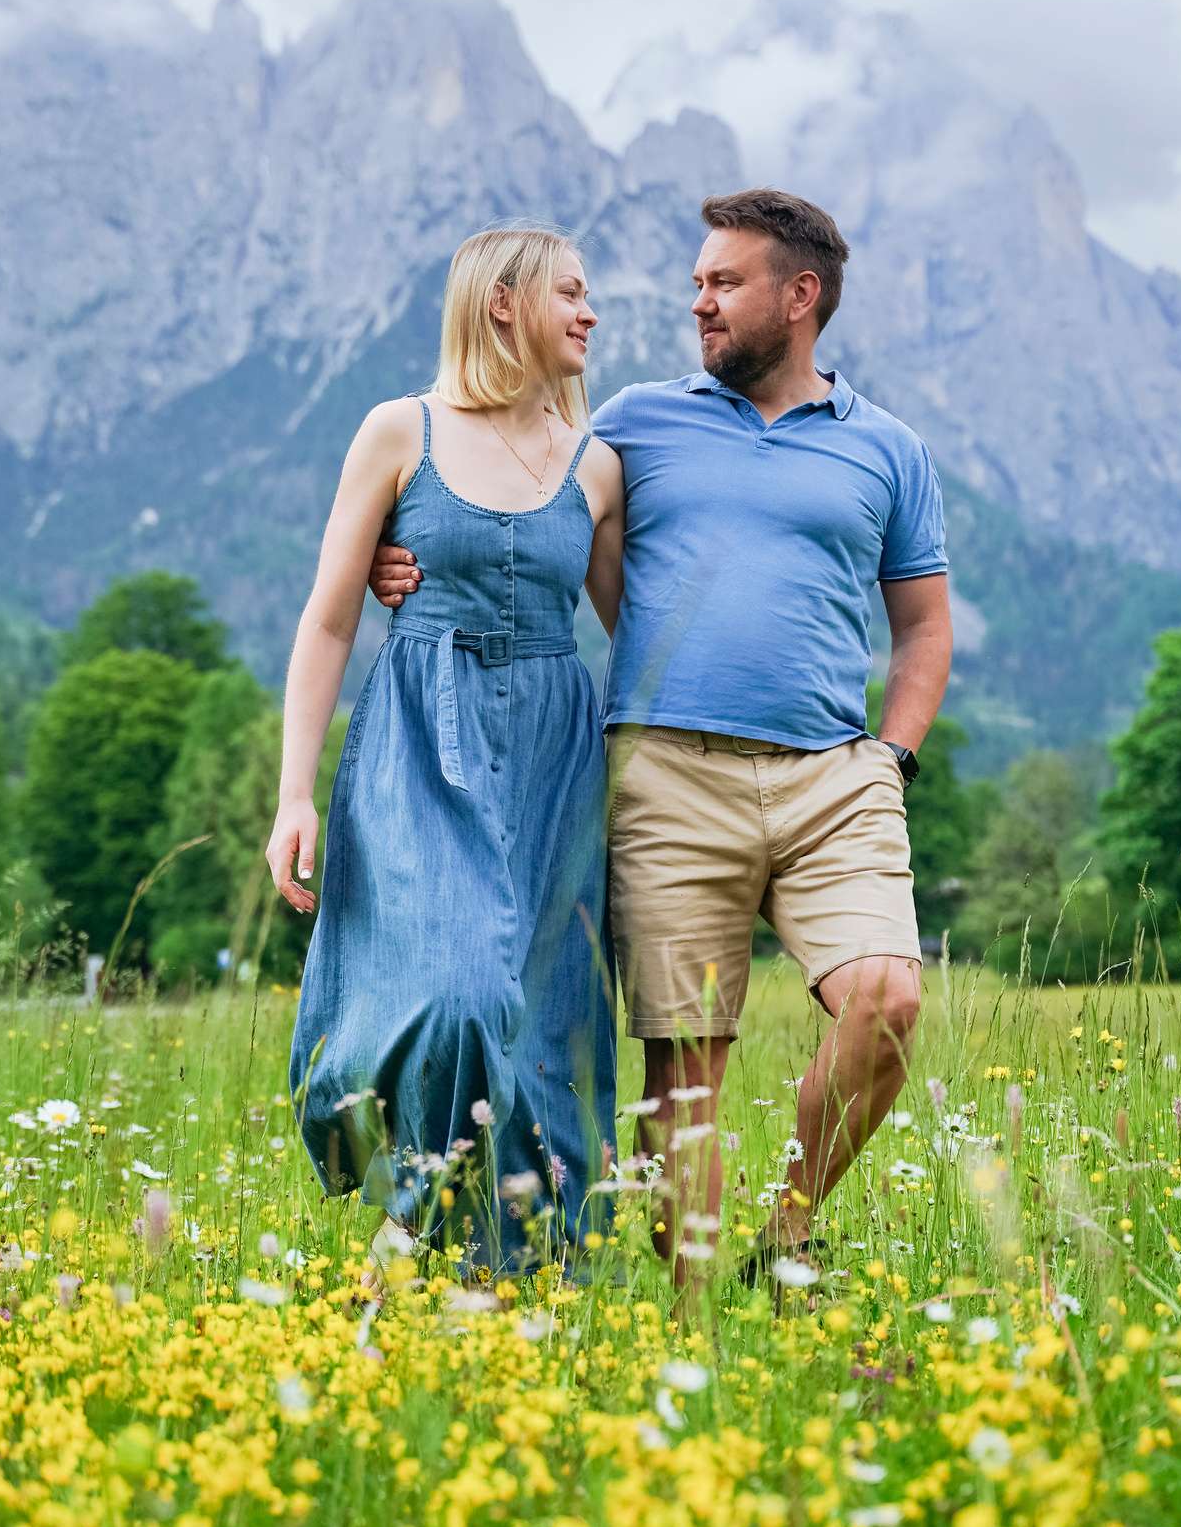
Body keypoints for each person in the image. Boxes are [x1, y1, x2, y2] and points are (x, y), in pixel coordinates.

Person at [372, 190, 952, 1308]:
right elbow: (508, 501)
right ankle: (692, 1329)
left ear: (801, 296)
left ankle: (786, 1232)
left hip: (837, 775)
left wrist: (894, 755)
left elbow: (922, 625)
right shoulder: (635, 420)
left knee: (886, 1002)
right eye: (696, 282)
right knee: (684, 1082)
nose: (698, 302)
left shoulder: (887, 451)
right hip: (665, 777)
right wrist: (395, 557)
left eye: (722, 283)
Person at [268, 225, 625, 1276]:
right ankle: (412, 1217)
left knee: (547, 1021)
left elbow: (638, 638)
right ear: (503, 303)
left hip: (557, 759)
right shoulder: (400, 431)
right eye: (570, 292)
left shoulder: (597, 466)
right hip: (422, 743)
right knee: (458, 994)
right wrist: (296, 793)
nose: (591, 312)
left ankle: (510, 1286)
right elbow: (329, 622)